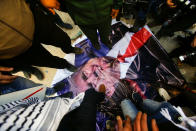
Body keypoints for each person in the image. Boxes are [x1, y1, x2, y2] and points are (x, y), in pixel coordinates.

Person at [0, 0, 83, 72]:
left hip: (30, 15)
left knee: (61, 38)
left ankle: (68, 49)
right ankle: (65, 65)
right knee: (47, 61)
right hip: (12, 50)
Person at [40, 0, 122, 50]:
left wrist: (117, 5)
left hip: (106, 16)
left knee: (105, 34)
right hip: (83, 21)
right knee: (92, 37)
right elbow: (61, 6)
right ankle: (95, 44)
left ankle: (105, 42)